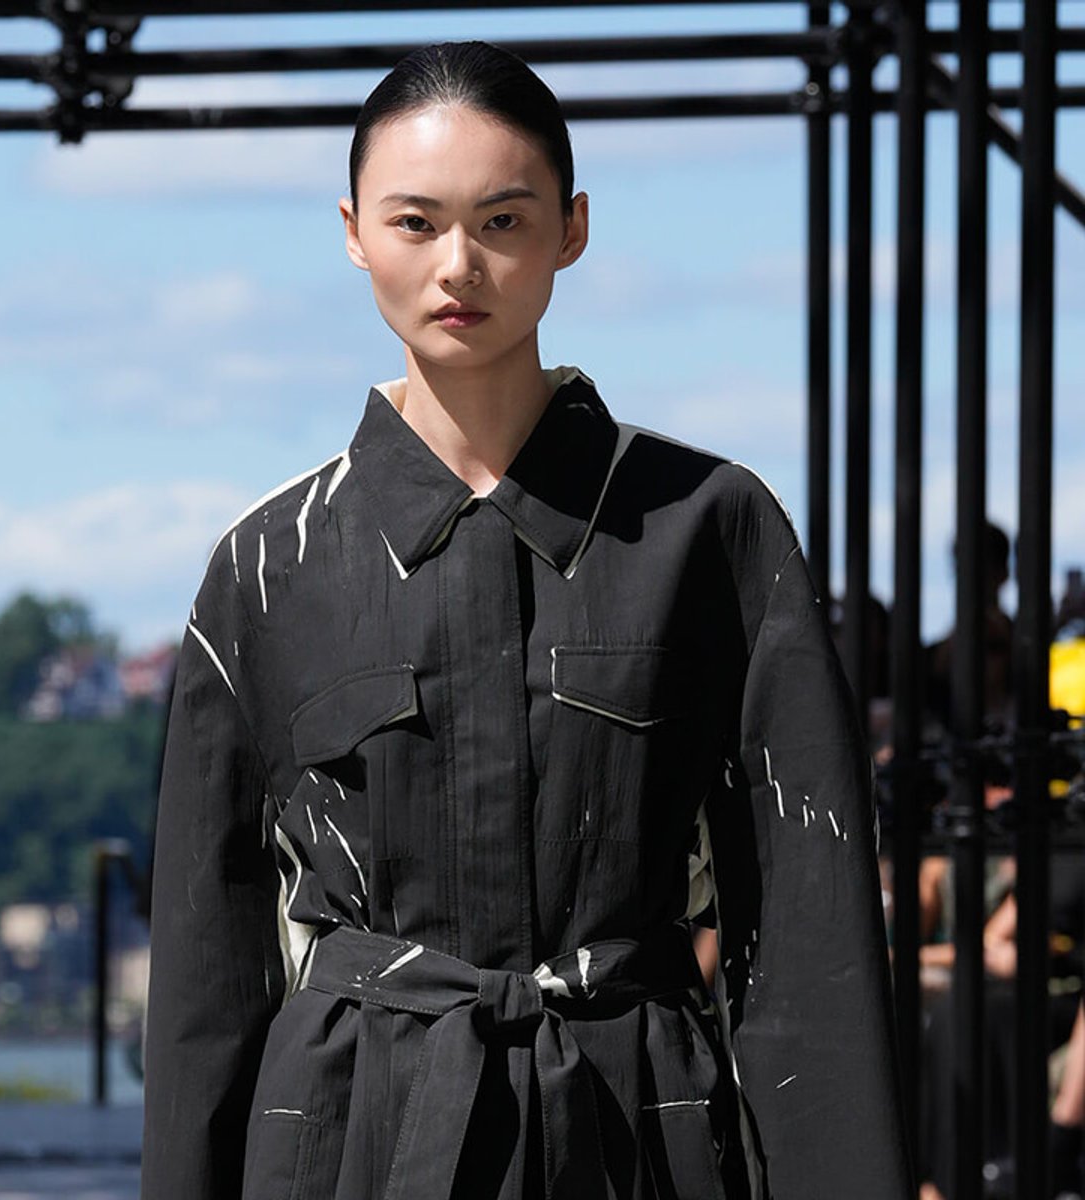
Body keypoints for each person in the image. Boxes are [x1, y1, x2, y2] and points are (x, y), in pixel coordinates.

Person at [141, 40, 911, 1200]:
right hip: (346, 1145)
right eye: (415, 223)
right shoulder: (267, 569)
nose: (460, 265)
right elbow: (208, 976)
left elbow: (810, 937)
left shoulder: (710, 527)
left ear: (573, 228)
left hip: (636, 1131)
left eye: (503, 222)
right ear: (352, 232)